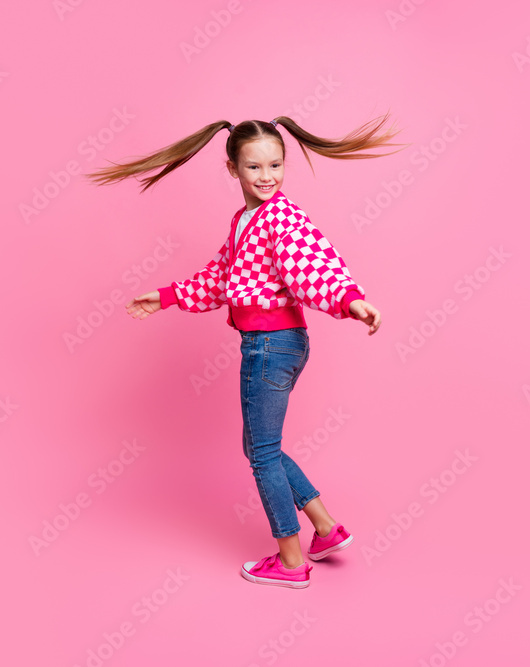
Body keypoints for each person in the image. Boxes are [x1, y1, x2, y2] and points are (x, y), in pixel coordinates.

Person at [87, 114, 402, 588]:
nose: (267, 176)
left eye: (275, 165)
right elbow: (222, 277)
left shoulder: (281, 217)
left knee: (261, 453)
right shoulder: (245, 220)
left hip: (270, 346)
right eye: (254, 167)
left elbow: (313, 264)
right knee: (261, 447)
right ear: (232, 168)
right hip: (278, 345)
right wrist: (167, 295)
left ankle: (291, 562)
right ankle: (326, 528)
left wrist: (350, 300)